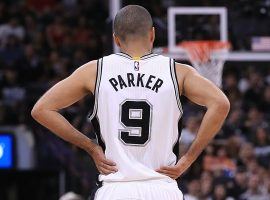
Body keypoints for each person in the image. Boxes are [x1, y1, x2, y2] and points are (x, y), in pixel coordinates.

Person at [31, 5, 230, 200]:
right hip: (162, 188)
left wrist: (90, 147)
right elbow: (221, 103)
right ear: (152, 34)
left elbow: (41, 109)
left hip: (116, 189)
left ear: (116, 39)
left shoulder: (95, 70)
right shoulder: (178, 72)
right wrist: (188, 159)